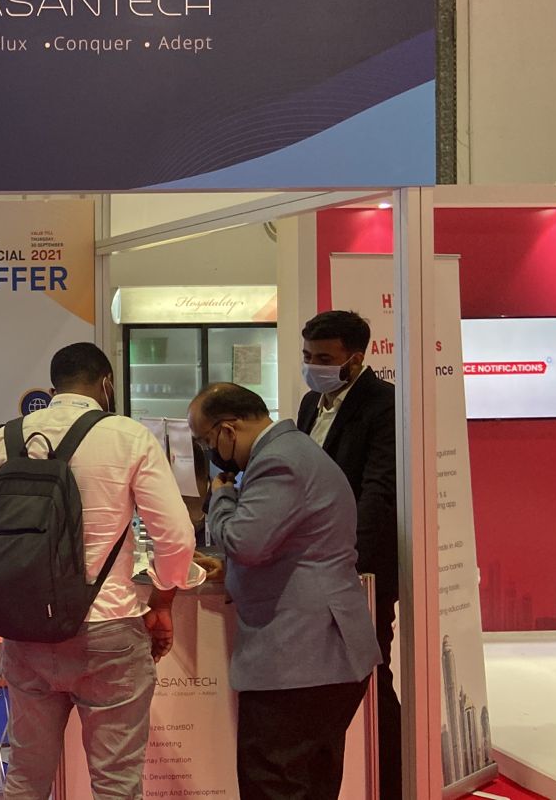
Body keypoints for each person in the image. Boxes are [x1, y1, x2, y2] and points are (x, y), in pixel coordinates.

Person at [0, 342, 204, 800]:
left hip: (27, 631)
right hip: (108, 630)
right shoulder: (128, 436)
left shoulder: (7, 438)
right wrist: (163, 599)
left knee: (26, 778)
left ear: (53, 389)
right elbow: (176, 538)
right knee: (115, 784)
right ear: (106, 384)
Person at [191, 383, 381, 800]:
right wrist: (233, 570)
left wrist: (221, 498)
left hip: (300, 658)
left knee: (273, 783)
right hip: (318, 657)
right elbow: (293, 543)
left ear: (228, 430)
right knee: (309, 783)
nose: (209, 451)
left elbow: (245, 542)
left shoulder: (278, 461)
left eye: (206, 440)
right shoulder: (293, 451)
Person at [296, 309, 401, 799]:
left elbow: (379, 493)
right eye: (307, 356)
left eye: (324, 358)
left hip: (360, 570)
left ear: (356, 359)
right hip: (312, 567)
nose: (312, 366)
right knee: (324, 690)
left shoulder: (385, 405)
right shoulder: (309, 404)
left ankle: (394, 782)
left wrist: (348, 561)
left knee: (372, 679)